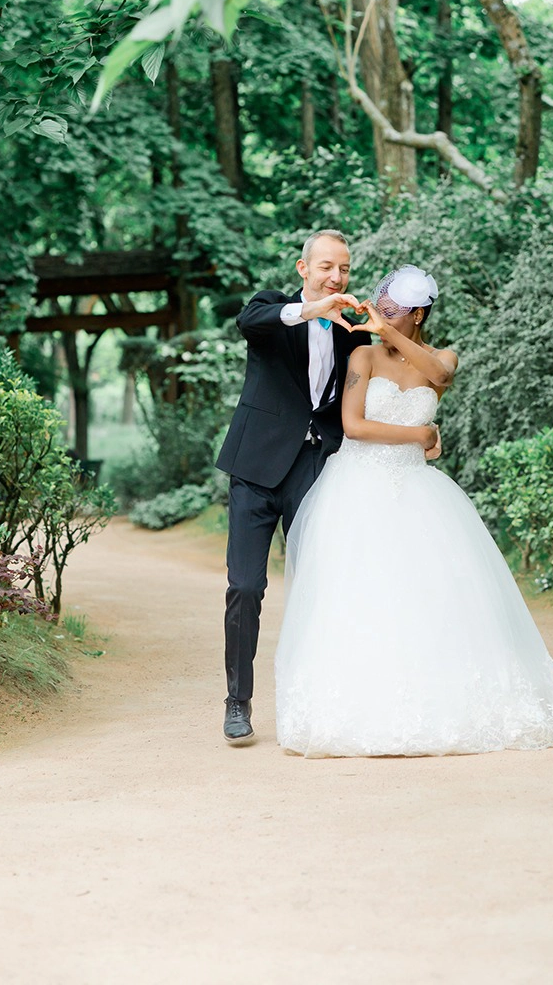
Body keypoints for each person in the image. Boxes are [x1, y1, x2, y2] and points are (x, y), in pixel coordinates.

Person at [274, 265, 553, 757]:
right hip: (358, 486)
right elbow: (354, 426)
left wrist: (394, 340)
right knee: (362, 591)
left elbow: (440, 374)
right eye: (380, 309)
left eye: (393, 312)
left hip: (416, 490)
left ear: (418, 313)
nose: (380, 318)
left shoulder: (440, 359)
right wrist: (419, 435)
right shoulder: (363, 355)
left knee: (429, 592)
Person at [215, 229, 371, 745]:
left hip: (314, 470)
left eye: (344, 269)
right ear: (304, 269)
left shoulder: (354, 332)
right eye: (326, 266)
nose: (336, 277)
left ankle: (319, 701)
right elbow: (249, 322)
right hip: (255, 470)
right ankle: (238, 702)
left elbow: (358, 398)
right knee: (245, 587)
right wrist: (311, 310)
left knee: (318, 589)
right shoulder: (272, 309)